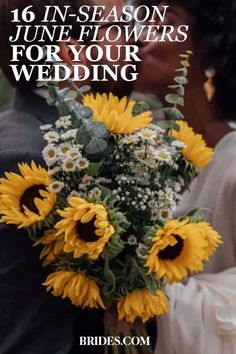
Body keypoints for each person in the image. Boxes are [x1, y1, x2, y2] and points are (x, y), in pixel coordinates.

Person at [0, 0, 136, 353]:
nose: (131, 41)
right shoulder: (31, 159)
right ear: (70, 50)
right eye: (112, 28)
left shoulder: (51, 133)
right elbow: (29, 332)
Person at [134, 0, 236, 353]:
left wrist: (141, 296)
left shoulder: (233, 164)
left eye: (164, 25)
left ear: (212, 51)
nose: (140, 38)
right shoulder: (150, 154)